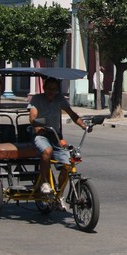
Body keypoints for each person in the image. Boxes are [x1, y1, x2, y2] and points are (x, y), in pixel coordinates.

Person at [28, 76, 88, 210]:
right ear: (44, 88)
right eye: (49, 89)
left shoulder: (60, 99)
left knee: (68, 163)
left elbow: (72, 114)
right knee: (47, 151)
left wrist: (84, 126)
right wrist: (36, 125)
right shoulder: (37, 99)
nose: (51, 91)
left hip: (55, 135)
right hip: (40, 134)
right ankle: (44, 183)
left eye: (54, 89)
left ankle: (58, 195)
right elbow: (32, 116)